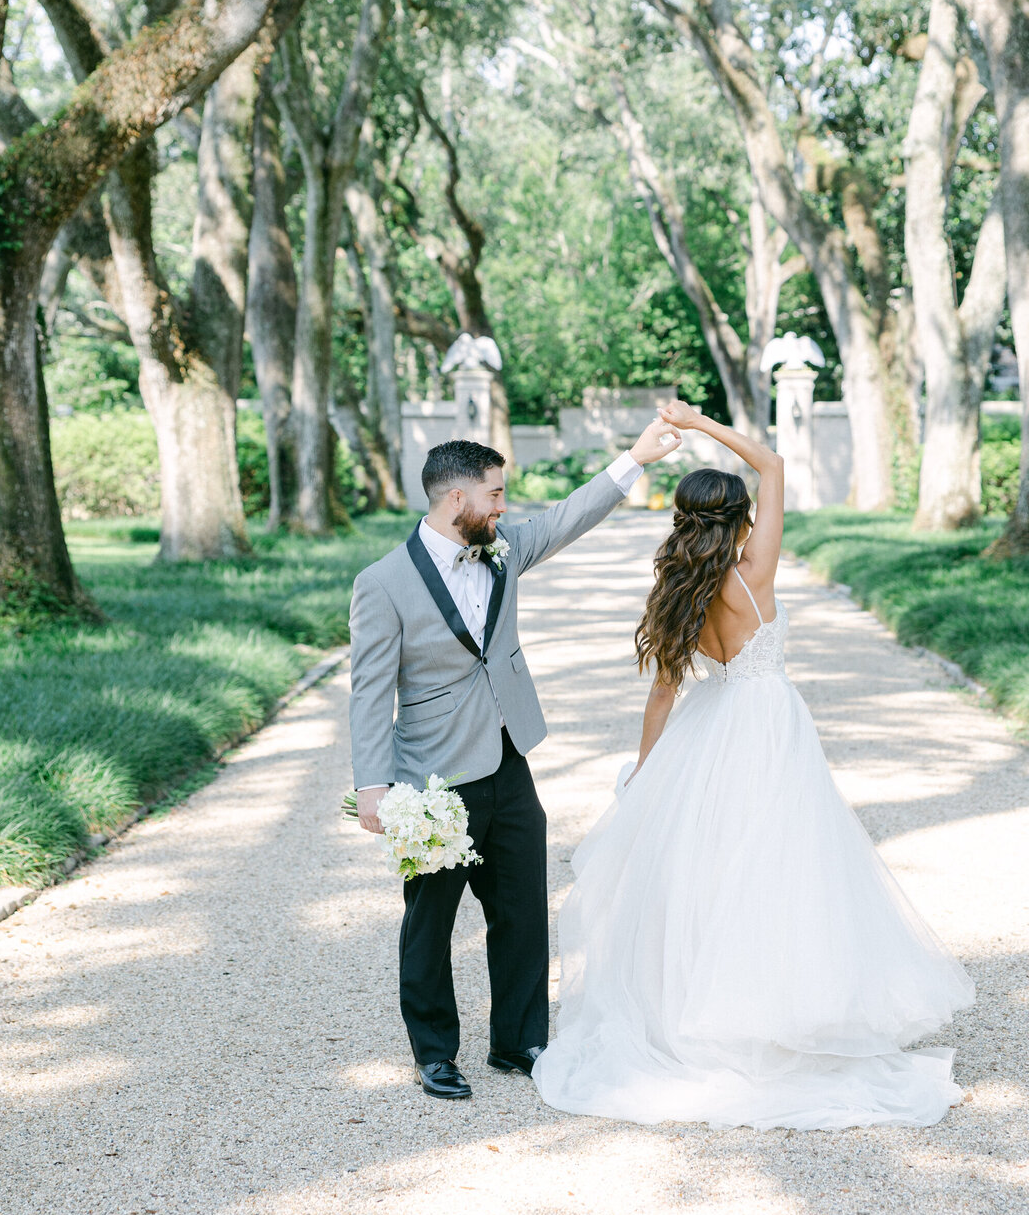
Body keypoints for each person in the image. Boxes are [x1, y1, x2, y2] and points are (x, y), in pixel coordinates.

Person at [532, 399, 975, 1131]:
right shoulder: (754, 573)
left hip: (710, 731)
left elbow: (662, 696)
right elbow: (771, 461)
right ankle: (776, 1008)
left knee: (715, 870)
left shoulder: (679, 590)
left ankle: (706, 1007)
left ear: (682, 518)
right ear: (739, 516)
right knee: (782, 866)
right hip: (767, 724)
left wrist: (646, 776)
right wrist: (702, 424)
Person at [349, 419, 681, 1100]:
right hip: (436, 781)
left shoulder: (500, 548)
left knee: (523, 909)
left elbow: (567, 518)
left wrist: (634, 460)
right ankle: (436, 1052)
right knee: (430, 923)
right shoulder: (381, 584)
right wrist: (372, 787)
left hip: (509, 760)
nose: (505, 506)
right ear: (454, 501)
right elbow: (369, 692)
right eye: (495, 495)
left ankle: (519, 1041)